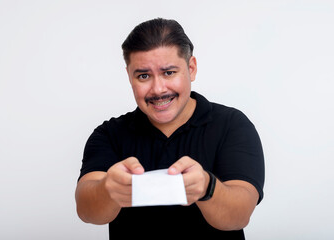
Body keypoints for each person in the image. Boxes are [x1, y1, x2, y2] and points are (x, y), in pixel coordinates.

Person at [75, 18, 265, 239]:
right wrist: (108, 189)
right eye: (143, 76)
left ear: (191, 68)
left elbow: (239, 216)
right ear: (129, 76)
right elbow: (87, 211)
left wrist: (207, 187)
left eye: (169, 72)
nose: (158, 89)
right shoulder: (109, 134)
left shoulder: (232, 125)